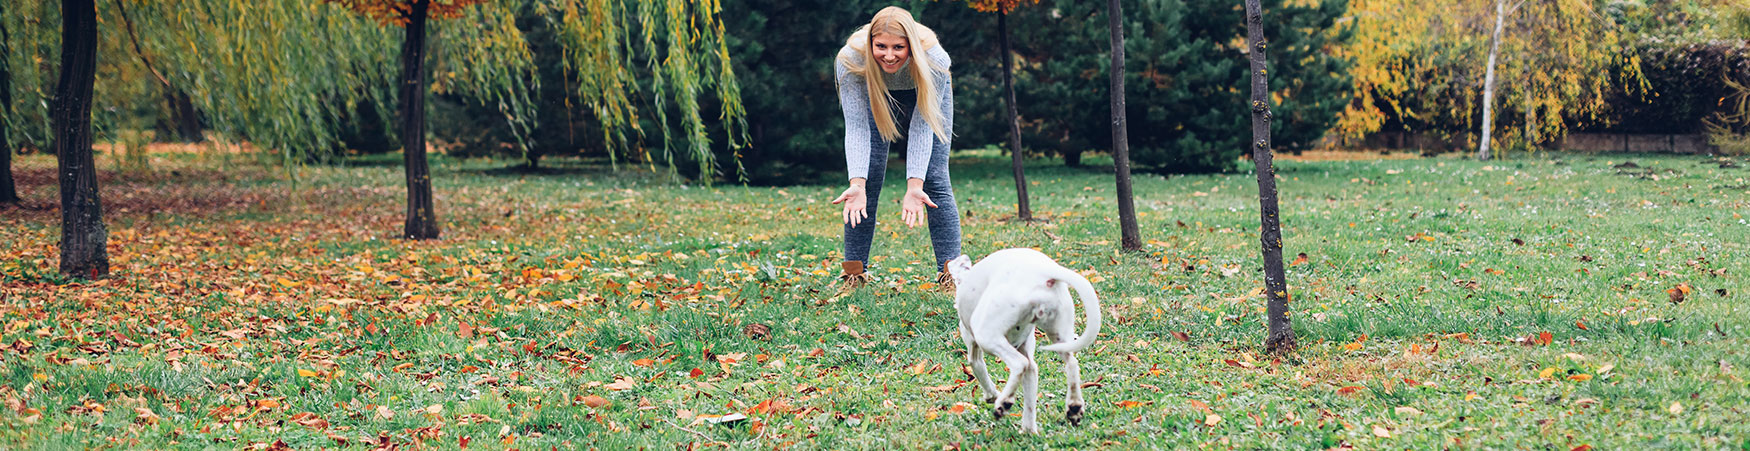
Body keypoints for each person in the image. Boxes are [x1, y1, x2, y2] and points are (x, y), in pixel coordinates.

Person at [829, 6, 961, 291]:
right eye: (881, 46)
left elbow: (923, 125)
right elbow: (857, 128)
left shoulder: (935, 60)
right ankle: (854, 274)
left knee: (934, 179)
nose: (889, 55)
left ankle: (951, 275)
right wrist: (856, 181)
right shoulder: (851, 60)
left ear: (910, 45)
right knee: (867, 179)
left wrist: (915, 185)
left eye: (898, 47)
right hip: (875, 91)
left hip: (923, 87)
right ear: (870, 44)